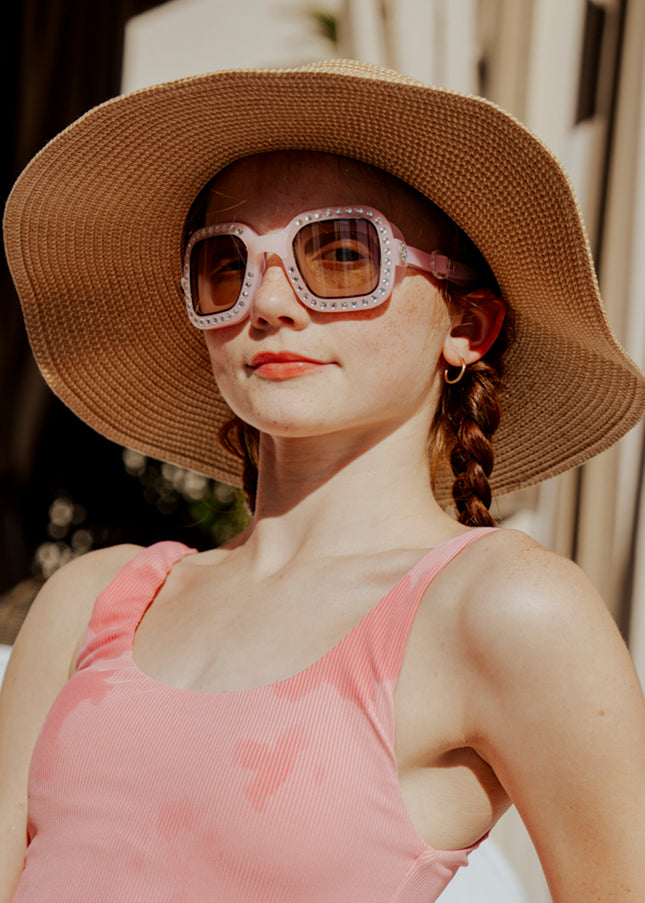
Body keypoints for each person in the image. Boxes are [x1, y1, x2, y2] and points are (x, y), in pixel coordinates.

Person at [2, 59, 645, 903]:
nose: (268, 301)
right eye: (225, 264)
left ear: (467, 324)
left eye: (341, 253)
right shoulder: (86, 602)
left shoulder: (506, 609)